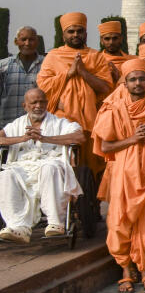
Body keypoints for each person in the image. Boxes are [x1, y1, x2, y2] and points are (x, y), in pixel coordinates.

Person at [93, 63, 145, 293]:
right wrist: (133, 139)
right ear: (124, 83)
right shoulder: (112, 109)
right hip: (122, 173)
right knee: (120, 219)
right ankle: (126, 270)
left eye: (142, 79)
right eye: (133, 79)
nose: (138, 83)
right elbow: (105, 145)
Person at [0, 88, 84, 244]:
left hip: (50, 164)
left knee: (49, 168)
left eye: (42, 102)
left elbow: (79, 137)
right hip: (23, 167)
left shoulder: (59, 122)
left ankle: (55, 223)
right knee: (6, 174)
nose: (38, 106)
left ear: (47, 103)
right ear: (25, 106)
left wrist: (46, 139)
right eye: (33, 103)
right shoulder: (17, 124)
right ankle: (18, 227)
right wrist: (22, 138)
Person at [37, 12, 113, 175]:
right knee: (62, 166)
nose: (76, 35)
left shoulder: (96, 56)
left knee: (90, 169)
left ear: (85, 33)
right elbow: (43, 86)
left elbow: (106, 88)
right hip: (61, 120)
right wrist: (69, 73)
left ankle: (90, 199)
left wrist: (83, 72)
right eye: (71, 31)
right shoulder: (53, 56)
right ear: (63, 34)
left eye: (79, 31)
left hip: (91, 122)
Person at [1, 27, 44, 126]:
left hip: (39, 126)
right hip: (8, 126)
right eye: (23, 39)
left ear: (37, 42)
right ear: (16, 42)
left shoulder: (47, 65)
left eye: (31, 39)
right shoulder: (3, 66)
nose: (27, 43)